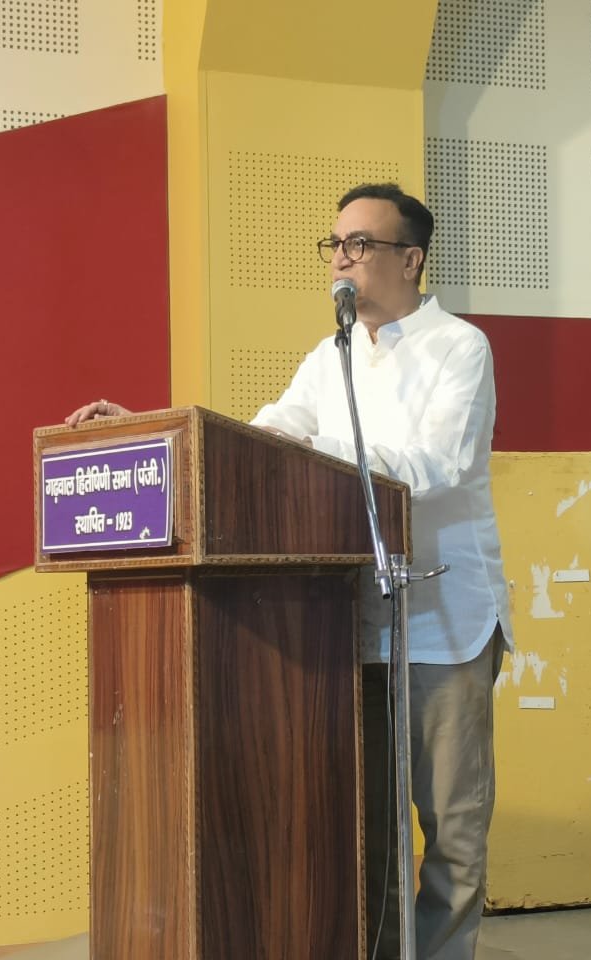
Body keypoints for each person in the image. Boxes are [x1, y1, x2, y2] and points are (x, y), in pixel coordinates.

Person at [66, 182, 512, 960]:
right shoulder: (329, 357)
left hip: (445, 621)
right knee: (366, 832)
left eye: (359, 244)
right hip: (349, 624)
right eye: (335, 244)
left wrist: (317, 454)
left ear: (411, 259)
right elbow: (262, 439)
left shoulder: (460, 347)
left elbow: (437, 466)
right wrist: (158, 434)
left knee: (452, 830)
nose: (341, 258)